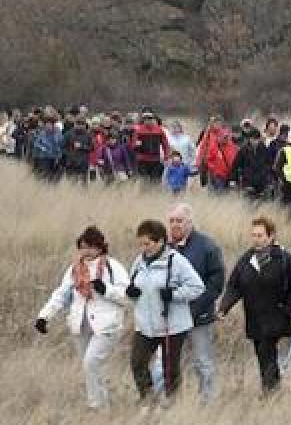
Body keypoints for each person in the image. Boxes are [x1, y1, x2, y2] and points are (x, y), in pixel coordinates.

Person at [33, 226, 131, 409]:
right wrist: (44, 316)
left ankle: (96, 406)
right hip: (80, 325)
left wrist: (106, 290)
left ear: (100, 247)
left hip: (107, 325)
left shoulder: (113, 267)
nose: (86, 251)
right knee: (91, 367)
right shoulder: (74, 269)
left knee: (91, 362)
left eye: (90, 247)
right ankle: (105, 406)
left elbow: (129, 297)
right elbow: (61, 295)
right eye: (82, 247)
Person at [126, 219, 205, 404]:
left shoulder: (176, 261)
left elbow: (197, 287)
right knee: (137, 363)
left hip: (172, 325)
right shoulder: (139, 262)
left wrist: (175, 294)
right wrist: (131, 293)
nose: (144, 248)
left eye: (148, 243)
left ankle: (172, 403)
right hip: (145, 324)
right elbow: (134, 287)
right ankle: (147, 399)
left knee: (170, 367)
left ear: (160, 241)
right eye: (141, 244)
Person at [219, 217, 291, 395]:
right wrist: (224, 307)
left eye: (260, 235)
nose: (256, 239)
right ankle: (273, 390)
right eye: (253, 235)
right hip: (254, 316)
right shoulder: (246, 260)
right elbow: (234, 286)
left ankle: (269, 392)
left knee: (266, 350)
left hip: (276, 315)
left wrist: (290, 310)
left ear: (271, 237)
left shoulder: (285, 259)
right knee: (262, 353)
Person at [232, 129, 273, 200]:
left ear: (259, 139)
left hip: (262, 182)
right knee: (249, 204)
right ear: (249, 139)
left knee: (262, 204)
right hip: (248, 182)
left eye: (256, 139)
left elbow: (269, 164)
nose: (255, 141)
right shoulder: (243, 150)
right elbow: (235, 165)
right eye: (253, 139)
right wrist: (233, 179)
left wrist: (269, 180)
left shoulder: (264, 149)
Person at [131, 111, 170, 183]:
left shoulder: (159, 130)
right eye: (145, 119)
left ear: (153, 119)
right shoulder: (138, 131)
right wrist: (137, 146)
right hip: (142, 160)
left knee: (155, 181)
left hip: (156, 160)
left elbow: (166, 145)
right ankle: (144, 194)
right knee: (144, 181)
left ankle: (153, 193)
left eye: (149, 118)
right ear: (143, 120)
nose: (148, 120)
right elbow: (133, 145)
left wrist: (166, 157)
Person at [273, 126, 291, 207]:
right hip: (287, 185)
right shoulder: (285, 150)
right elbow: (277, 167)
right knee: (287, 207)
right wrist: (283, 179)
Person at [61, 117, 94, 182]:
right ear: (75, 124)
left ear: (85, 125)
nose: (80, 126)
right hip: (71, 164)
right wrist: (69, 154)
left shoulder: (88, 135)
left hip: (83, 164)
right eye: (78, 123)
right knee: (71, 184)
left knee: (83, 185)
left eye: (82, 124)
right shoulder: (68, 134)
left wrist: (82, 146)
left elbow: (91, 148)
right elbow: (62, 148)